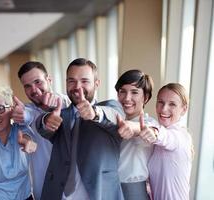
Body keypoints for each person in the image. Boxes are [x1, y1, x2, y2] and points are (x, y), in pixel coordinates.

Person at [36, 58, 126, 200]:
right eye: (72, 81)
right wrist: (46, 121)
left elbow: (115, 116)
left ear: (97, 84)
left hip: (100, 193)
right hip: (60, 194)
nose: (77, 87)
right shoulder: (60, 115)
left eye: (84, 81)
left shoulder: (109, 108)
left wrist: (94, 114)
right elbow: (42, 127)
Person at [13, 61, 71, 200]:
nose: (34, 90)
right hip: (45, 190)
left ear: (49, 80)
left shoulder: (67, 103)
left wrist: (54, 103)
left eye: (38, 82)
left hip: (74, 190)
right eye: (27, 86)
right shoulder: (25, 113)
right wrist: (27, 141)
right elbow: (28, 121)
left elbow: (62, 102)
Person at [139, 83, 193, 200]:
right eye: (160, 102)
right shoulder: (157, 141)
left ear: (184, 109)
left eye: (172, 104)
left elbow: (166, 137)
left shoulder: (181, 137)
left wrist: (154, 133)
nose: (164, 109)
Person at [115, 69, 156, 200]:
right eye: (122, 91)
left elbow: (143, 129)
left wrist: (134, 128)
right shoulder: (115, 120)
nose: (127, 98)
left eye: (134, 92)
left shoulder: (150, 123)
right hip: (110, 187)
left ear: (146, 97)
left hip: (133, 191)